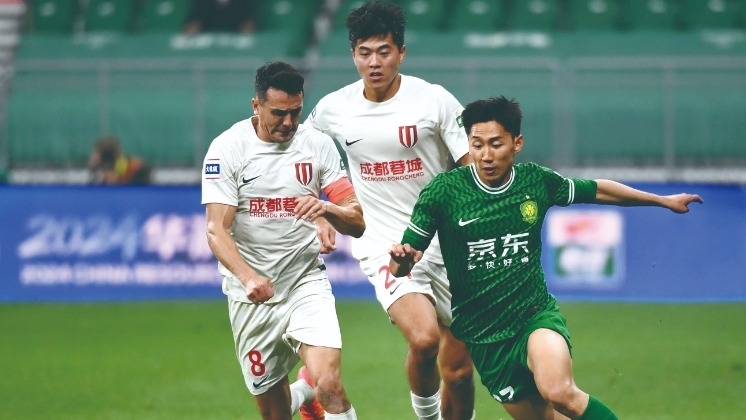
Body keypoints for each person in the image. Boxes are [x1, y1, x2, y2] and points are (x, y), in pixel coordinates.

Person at [389, 96, 704, 420]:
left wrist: (662, 200)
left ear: (517, 143)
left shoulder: (535, 181)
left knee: (560, 392)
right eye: (477, 145)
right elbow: (399, 267)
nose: (485, 155)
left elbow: (598, 190)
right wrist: (402, 259)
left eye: (496, 144)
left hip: (533, 317)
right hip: (486, 341)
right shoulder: (444, 191)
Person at [305, 2, 476, 419]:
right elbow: (302, 157)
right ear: (353, 55)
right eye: (365, 53)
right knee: (424, 339)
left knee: (458, 372)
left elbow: (470, 165)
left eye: (384, 52)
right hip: (383, 244)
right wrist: (321, 213)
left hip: (446, 243)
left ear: (401, 52)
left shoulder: (434, 100)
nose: (374, 62)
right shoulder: (334, 108)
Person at [202, 61, 363, 420]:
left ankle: (314, 389)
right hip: (252, 298)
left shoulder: (317, 146)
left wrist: (326, 209)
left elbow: (356, 219)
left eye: (296, 112)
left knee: (330, 384)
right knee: (276, 414)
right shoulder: (227, 149)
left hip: (304, 282)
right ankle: (303, 392)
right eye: (278, 113)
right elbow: (216, 229)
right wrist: (249, 277)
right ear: (256, 105)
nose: (288, 122)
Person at [183, 0, 255, 35]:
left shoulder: (244, 2)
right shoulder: (202, 2)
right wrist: (192, 28)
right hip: (207, 44)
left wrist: (247, 29)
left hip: (236, 43)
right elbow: (193, 22)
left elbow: (249, 23)